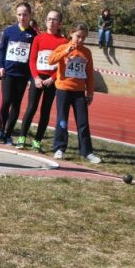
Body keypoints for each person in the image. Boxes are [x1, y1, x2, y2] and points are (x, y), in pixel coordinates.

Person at [48, 23, 101, 164]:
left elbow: (89, 74)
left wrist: (90, 93)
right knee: (62, 120)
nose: (81, 40)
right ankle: (59, 148)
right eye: (78, 36)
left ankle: (87, 152)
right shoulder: (62, 48)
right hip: (63, 90)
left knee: (83, 123)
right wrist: (66, 51)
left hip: (79, 92)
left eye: (84, 38)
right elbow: (50, 60)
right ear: (71, 34)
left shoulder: (86, 52)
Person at [16, 9, 68, 152]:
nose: (51, 22)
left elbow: (63, 65)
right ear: (45, 21)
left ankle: (37, 141)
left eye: (55, 19)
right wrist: (36, 78)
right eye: (49, 19)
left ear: (60, 23)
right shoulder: (38, 38)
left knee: (45, 112)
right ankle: (22, 138)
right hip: (38, 78)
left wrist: (52, 78)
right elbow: (32, 60)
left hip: (51, 81)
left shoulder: (64, 42)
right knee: (31, 108)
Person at [0, 2, 37, 145]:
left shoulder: (34, 35)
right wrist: (0, 66)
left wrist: (31, 77)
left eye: (25, 14)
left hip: (23, 76)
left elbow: (33, 58)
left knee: (16, 105)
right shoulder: (9, 31)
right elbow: (1, 49)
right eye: (19, 14)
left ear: (30, 15)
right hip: (8, 73)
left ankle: (8, 134)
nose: (22, 17)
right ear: (16, 15)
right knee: (6, 101)